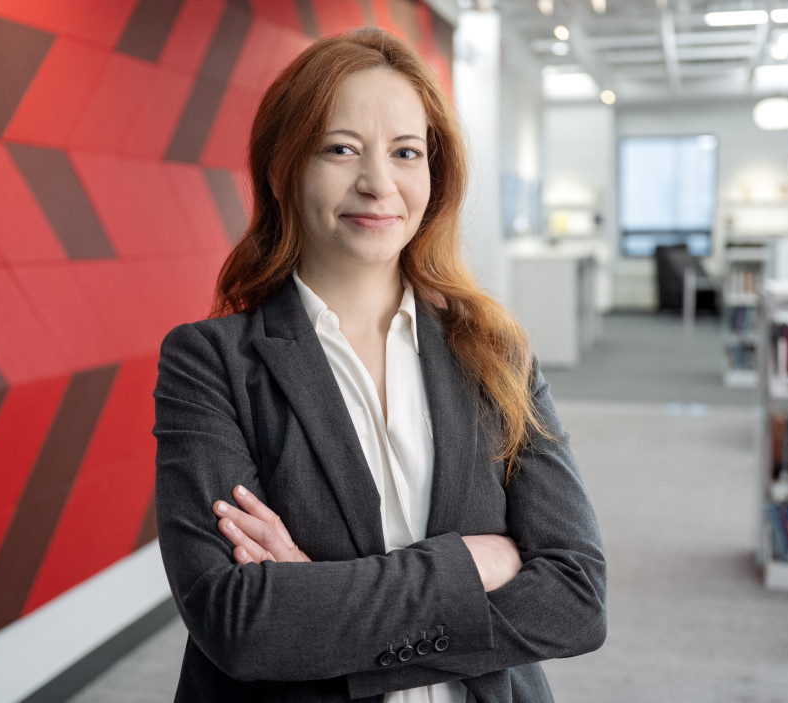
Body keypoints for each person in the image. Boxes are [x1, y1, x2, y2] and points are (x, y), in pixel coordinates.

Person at [153, 26, 606, 703]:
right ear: (284, 167)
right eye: (340, 149)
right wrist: (474, 562)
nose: (378, 183)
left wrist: (323, 601)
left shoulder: (493, 350)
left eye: (406, 152)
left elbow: (576, 595)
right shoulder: (209, 364)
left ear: (434, 172)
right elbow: (241, 622)